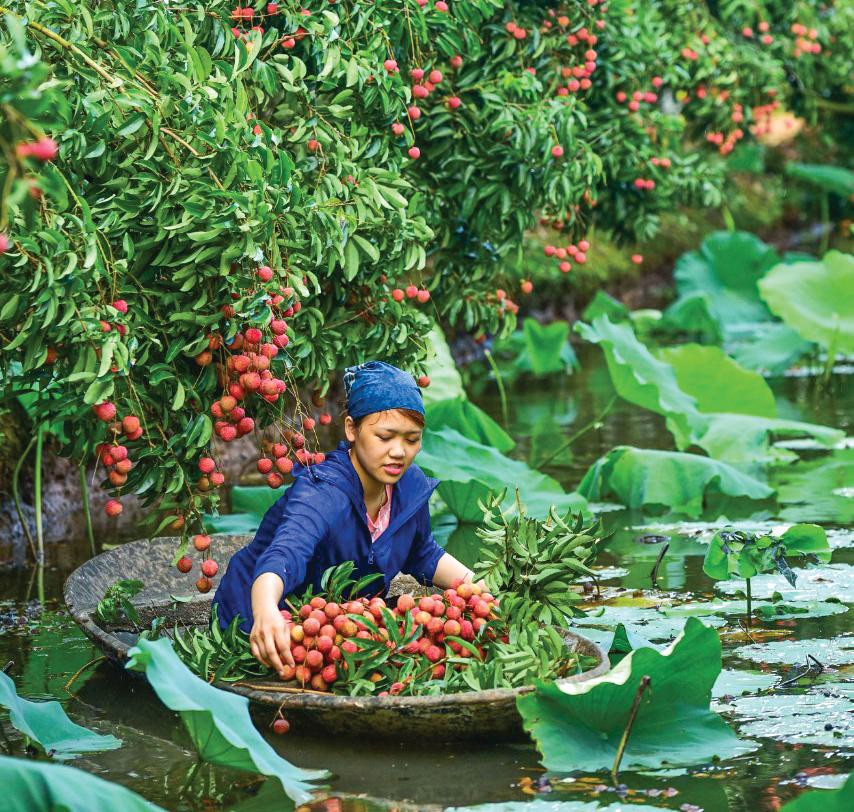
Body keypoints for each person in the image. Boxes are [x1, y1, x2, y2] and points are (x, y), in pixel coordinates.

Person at [212, 360, 484, 678]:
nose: (399, 452)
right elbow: (284, 555)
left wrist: (481, 591)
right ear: (352, 429)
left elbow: (422, 552)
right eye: (385, 437)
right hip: (262, 624)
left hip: (339, 630)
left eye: (411, 440)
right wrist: (265, 610)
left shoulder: (410, 486)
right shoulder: (324, 491)